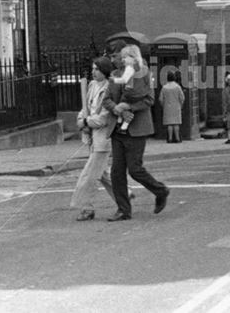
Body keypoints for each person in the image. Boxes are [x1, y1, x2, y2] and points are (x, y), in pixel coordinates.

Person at [103, 45, 170, 220]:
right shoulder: (116, 75)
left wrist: (130, 107)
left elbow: (149, 100)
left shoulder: (144, 74)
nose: (115, 60)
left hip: (137, 129)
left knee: (135, 169)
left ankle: (160, 191)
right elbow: (106, 99)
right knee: (116, 172)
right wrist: (117, 109)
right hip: (117, 130)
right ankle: (124, 210)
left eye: (117, 56)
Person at [71, 56, 118, 221]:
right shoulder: (91, 85)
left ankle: (86, 208)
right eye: (92, 68)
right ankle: (125, 198)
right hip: (91, 137)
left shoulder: (110, 89)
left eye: (96, 69)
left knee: (89, 175)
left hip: (103, 140)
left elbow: (104, 117)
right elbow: (86, 107)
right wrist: (80, 119)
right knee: (104, 175)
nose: (93, 72)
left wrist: (86, 122)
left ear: (104, 71)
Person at [159, 73, 185, 144]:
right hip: (176, 107)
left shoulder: (164, 87)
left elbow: (161, 99)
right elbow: (182, 97)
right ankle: (177, 138)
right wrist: (181, 104)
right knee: (176, 123)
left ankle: (170, 139)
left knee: (169, 124)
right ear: (174, 78)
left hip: (167, 107)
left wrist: (163, 105)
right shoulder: (177, 87)